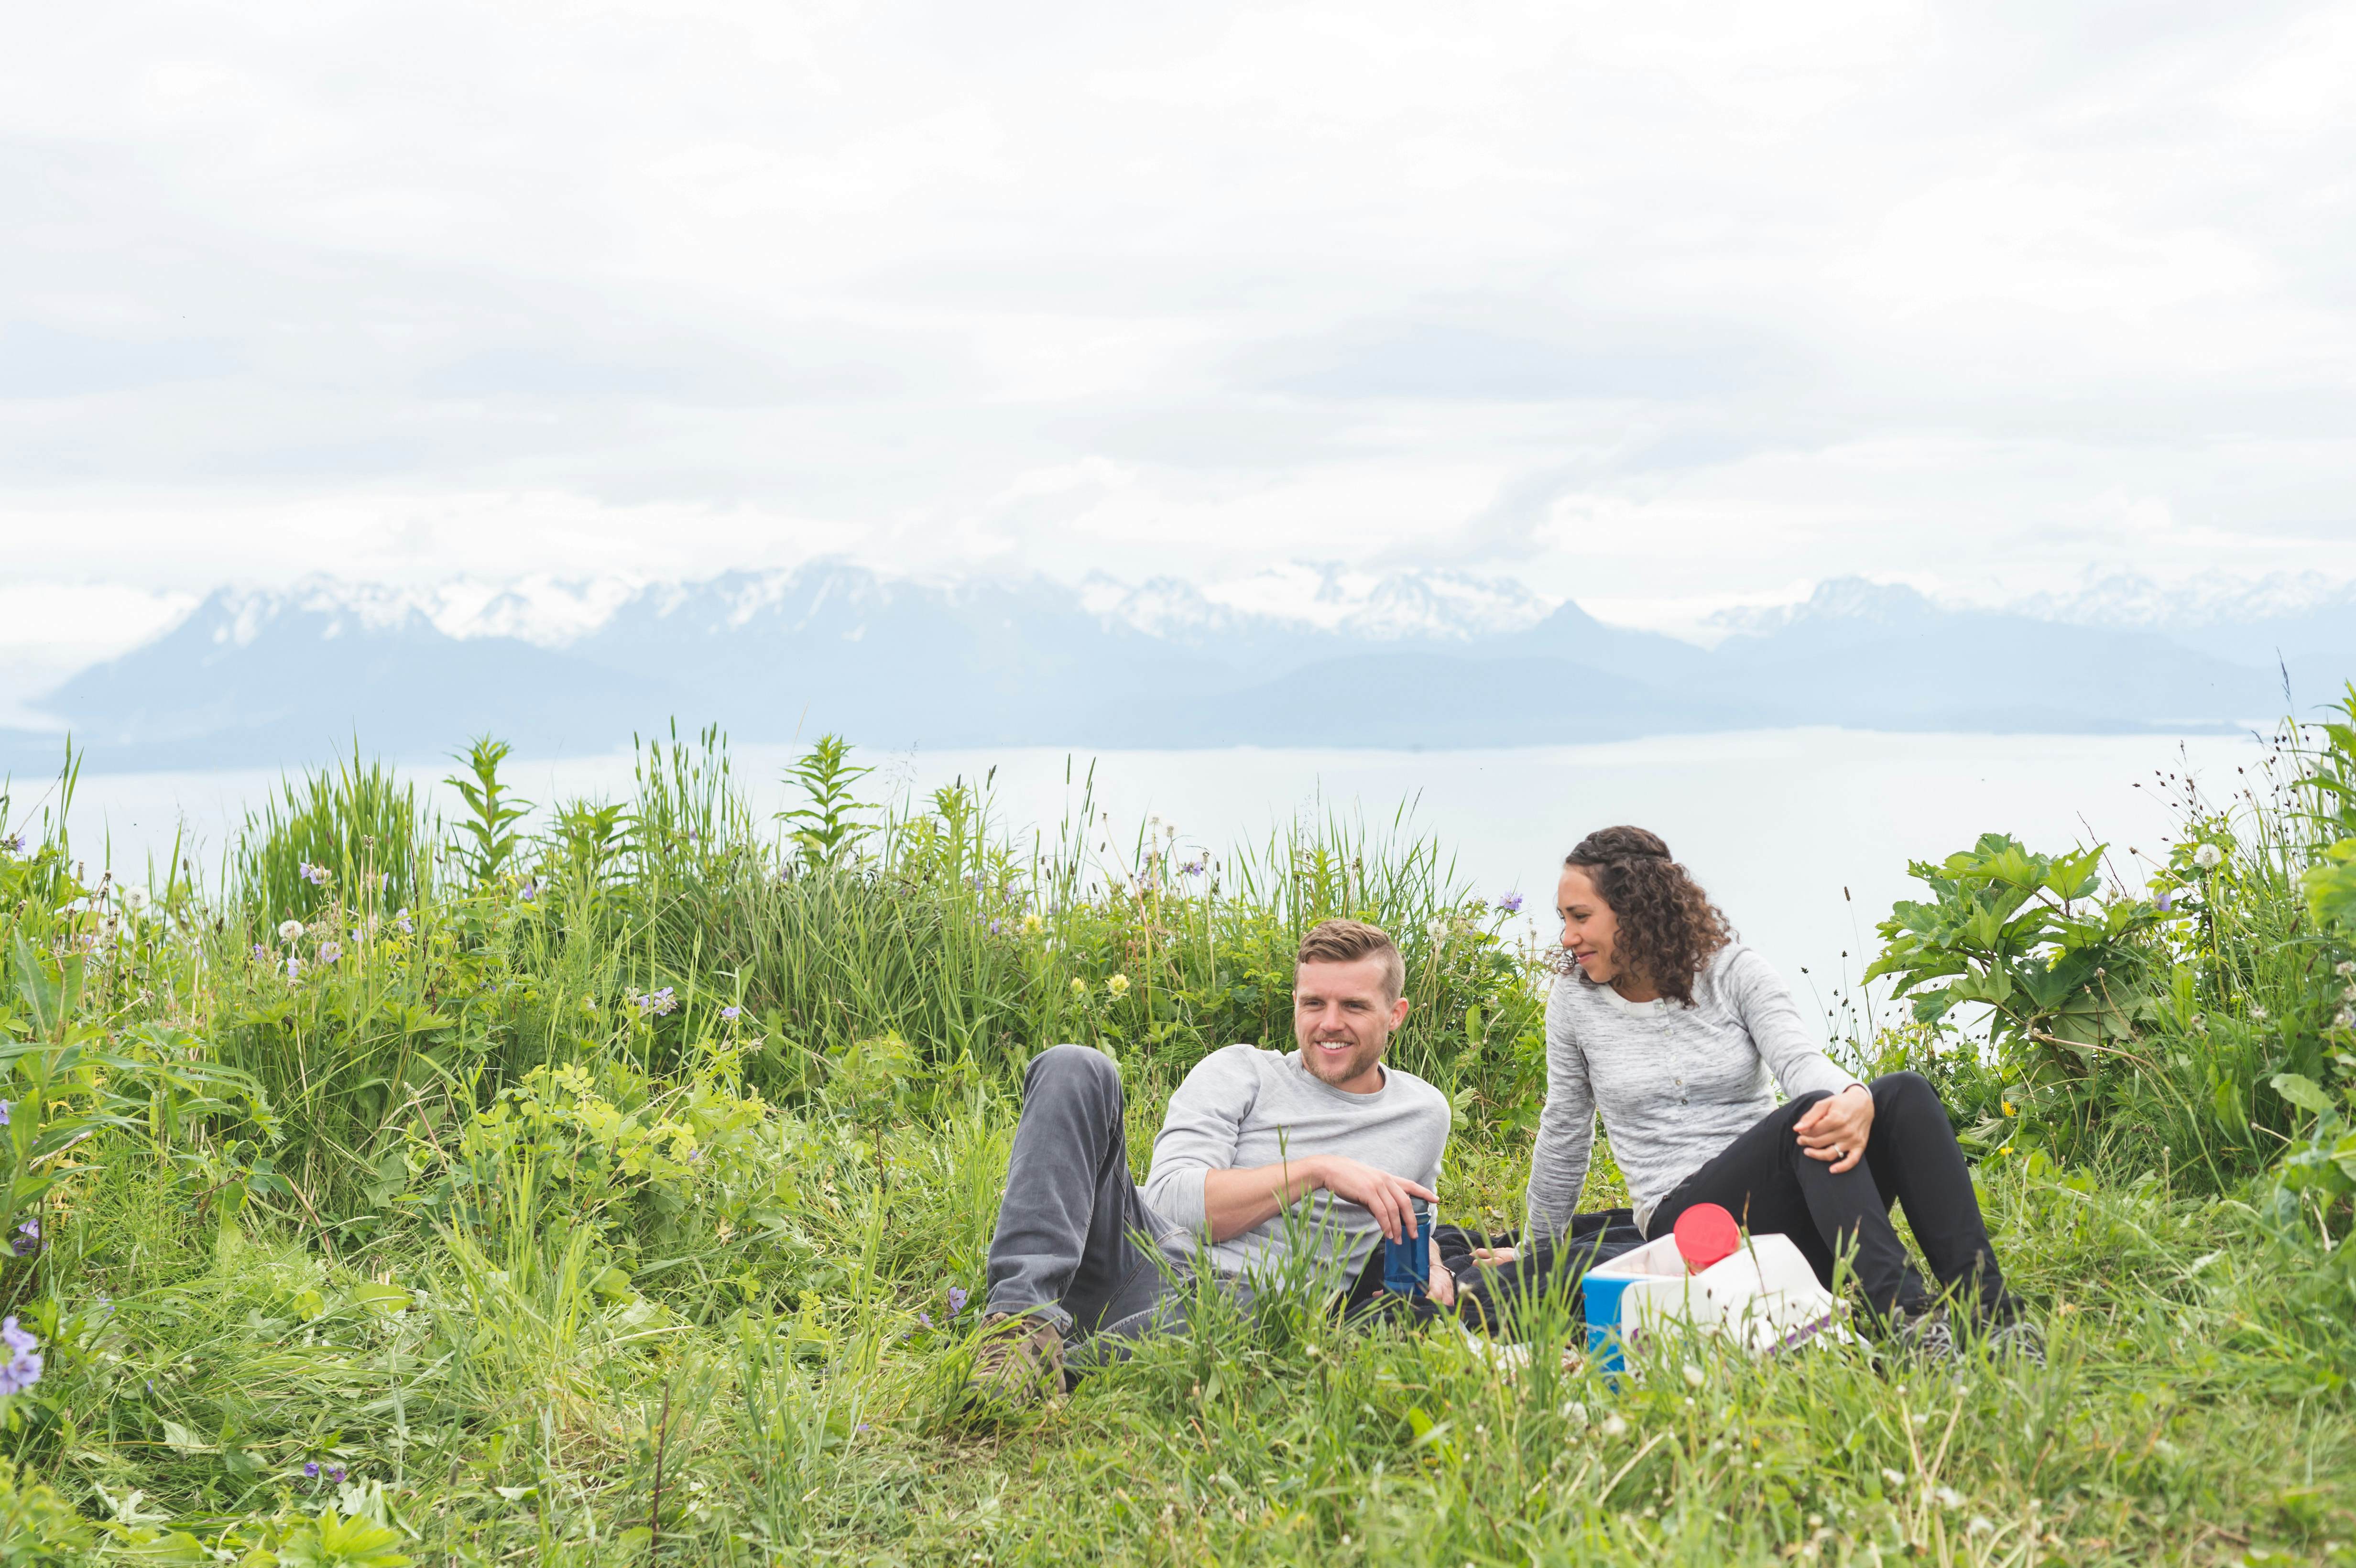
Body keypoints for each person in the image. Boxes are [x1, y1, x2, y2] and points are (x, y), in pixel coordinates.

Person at [1487, 826, 2039, 1361]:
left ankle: (1992, 1317)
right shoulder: (1574, 1002)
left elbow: (1798, 1061)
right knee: (1804, 1123)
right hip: (1690, 1228)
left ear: (1634, 909)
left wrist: (1852, 1096)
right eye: (1564, 919)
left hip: (1789, 1214)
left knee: (1902, 1094)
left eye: (1581, 918)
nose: (1567, 937)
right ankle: (1909, 1319)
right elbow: (1563, 1130)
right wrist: (1535, 1256)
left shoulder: (1732, 971)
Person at [968, 917, 1457, 1405]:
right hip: (1145, 1255)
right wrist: (1317, 1171)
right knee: (1074, 1065)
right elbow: (1172, 1201)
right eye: (1313, 1003)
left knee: (1255, 1304)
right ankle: (1018, 1328)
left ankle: (1065, 1364)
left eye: (1353, 1005)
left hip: (1254, 1303)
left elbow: (1413, 1216)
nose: (1329, 1023)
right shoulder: (1241, 1070)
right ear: (1295, 1004)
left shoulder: (1423, 1114)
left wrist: (1432, 1264)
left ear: (1395, 1014)